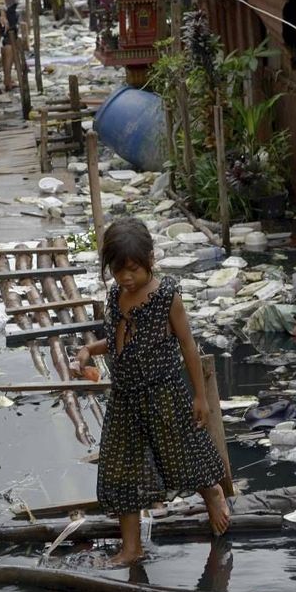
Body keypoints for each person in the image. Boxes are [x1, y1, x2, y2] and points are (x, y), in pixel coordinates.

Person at [72, 218, 231, 566]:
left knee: (181, 459)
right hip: (125, 398)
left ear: (149, 260)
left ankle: (212, 493)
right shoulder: (114, 296)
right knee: (121, 470)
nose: (126, 277)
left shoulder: (165, 296)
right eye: (118, 270)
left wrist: (199, 396)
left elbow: (188, 345)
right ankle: (132, 549)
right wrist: (89, 351)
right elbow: (117, 341)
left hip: (164, 394)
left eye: (132, 270)